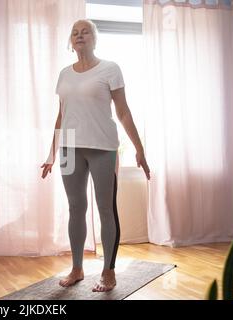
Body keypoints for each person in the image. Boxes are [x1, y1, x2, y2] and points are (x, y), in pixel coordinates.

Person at [40, 19, 150, 292]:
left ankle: (108, 272)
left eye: (85, 31)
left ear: (94, 38)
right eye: (75, 32)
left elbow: (123, 112)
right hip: (68, 148)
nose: (79, 35)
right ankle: (77, 268)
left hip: (103, 148)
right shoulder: (65, 74)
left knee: (105, 209)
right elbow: (61, 116)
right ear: (71, 41)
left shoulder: (110, 69)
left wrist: (139, 148)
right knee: (76, 208)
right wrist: (51, 153)